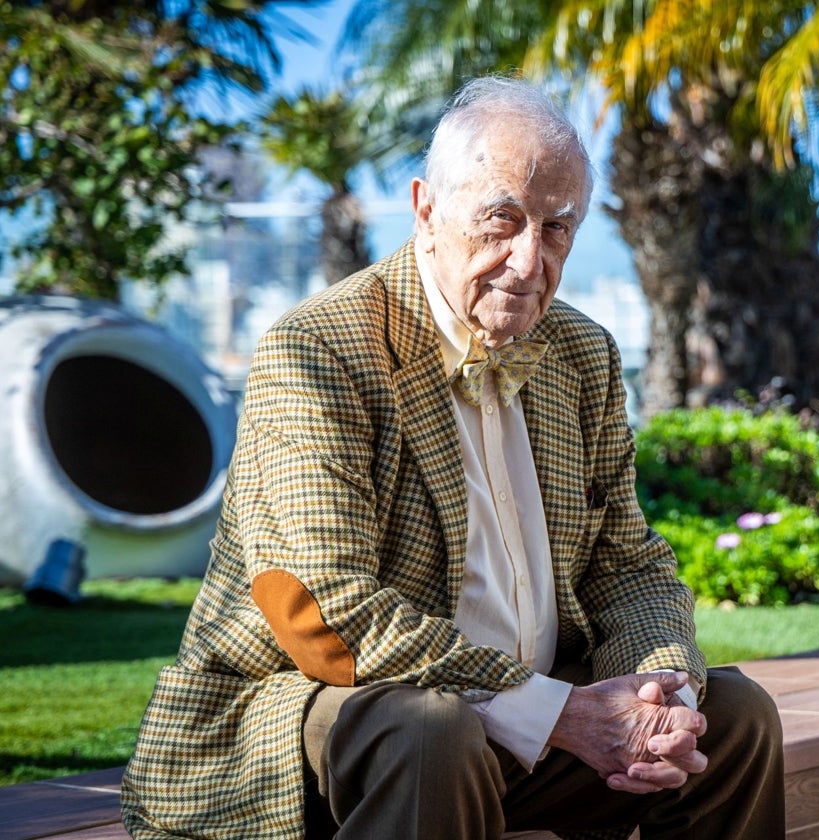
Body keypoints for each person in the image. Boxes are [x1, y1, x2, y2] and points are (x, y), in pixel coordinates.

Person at [121, 76, 784, 839]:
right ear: (426, 211)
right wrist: (560, 712)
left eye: (557, 228)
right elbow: (320, 611)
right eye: (501, 221)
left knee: (734, 722)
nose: (529, 260)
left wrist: (661, 694)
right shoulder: (319, 350)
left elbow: (626, 566)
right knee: (435, 730)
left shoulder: (581, 353)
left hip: (526, 730)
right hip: (319, 725)